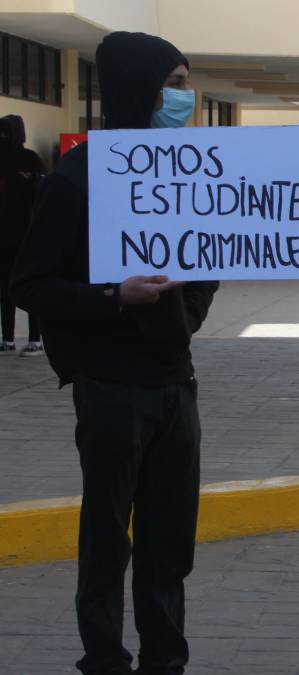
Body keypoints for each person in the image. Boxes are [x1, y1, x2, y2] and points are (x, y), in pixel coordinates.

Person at [10, 31, 219, 675]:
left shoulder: (186, 176)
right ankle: (104, 658)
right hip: (108, 389)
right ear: (139, 89)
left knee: (169, 542)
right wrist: (114, 298)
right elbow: (30, 285)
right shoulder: (76, 180)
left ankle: (166, 659)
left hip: (174, 384)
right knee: (107, 538)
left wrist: (184, 315)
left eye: (186, 84)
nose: (185, 98)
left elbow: (207, 265)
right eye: (175, 85)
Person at [0, 114, 47, 356]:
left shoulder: (30, 160)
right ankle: (13, 339)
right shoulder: (30, 159)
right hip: (19, 235)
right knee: (10, 289)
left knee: (20, 287)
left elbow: (43, 190)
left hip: (24, 234)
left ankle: (30, 339)